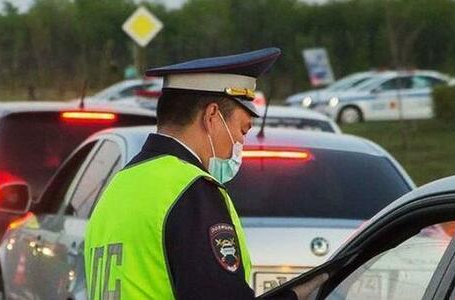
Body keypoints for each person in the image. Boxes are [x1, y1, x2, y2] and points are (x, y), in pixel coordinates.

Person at [83, 48, 326, 300]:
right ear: (211, 116)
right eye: (242, 131)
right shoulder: (190, 190)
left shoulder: (118, 187)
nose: (240, 144)